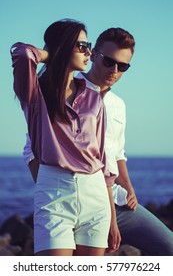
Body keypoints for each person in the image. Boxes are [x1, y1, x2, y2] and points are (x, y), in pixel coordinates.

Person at [24, 26, 173, 256]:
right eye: (108, 61)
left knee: (168, 247)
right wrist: (56, 195)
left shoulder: (118, 105)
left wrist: (129, 187)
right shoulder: (63, 88)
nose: (114, 70)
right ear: (93, 54)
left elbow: (117, 154)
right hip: (69, 198)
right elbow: (32, 150)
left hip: (115, 201)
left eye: (122, 66)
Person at [10, 19, 118, 256]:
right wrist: (53, 55)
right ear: (63, 46)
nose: (89, 52)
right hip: (54, 190)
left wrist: (112, 217)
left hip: (95, 192)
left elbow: (101, 156)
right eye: (81, 46)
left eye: (88, 45)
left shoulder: (94, 96)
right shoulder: (35, 92)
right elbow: (23, 53)